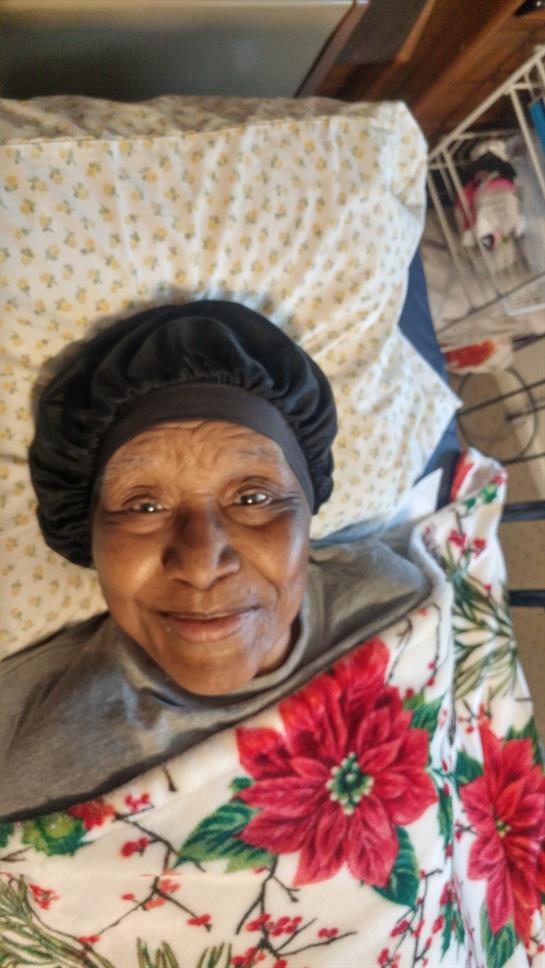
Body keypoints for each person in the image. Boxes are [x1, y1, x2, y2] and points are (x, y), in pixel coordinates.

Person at [0, 300, 428, 822]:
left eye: (253, 499)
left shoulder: (400, 603)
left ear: (308, 513)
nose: (202, 565)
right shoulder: (23, 745)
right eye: (144, 506)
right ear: (87, 533)